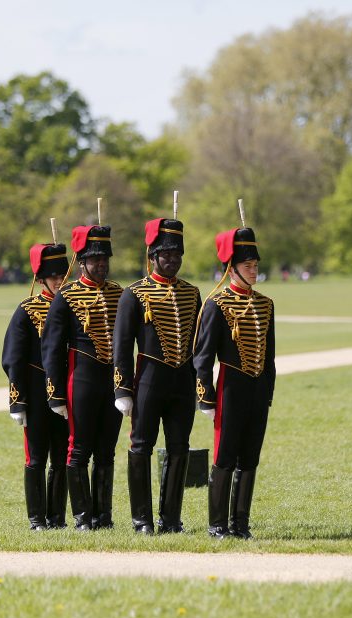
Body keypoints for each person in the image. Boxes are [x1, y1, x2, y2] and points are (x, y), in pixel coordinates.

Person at [113, 218, 201, 534]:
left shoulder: (192, 293)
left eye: (177, 254)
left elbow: (198, 345)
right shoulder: (134, 294)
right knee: (141, 447)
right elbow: (121, 346)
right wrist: (122, 389)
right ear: (153, 257)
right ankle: (141, 520)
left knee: (180, 448)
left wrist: (200, 386)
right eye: (166, 255)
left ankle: (171, 518)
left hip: (182, 381)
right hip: (149, 379)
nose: (172, 260)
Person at [194, 226, 276, 539]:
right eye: (247, 266)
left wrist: (267, 392)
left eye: (256, 266)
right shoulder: (217, 305)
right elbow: (202, 358)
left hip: (257, 390)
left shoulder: (266, 305)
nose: (254, 271)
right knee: (225, 456)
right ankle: (218, 526)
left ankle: (241, 524)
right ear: (232, 269)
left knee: (250, 457)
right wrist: (206, 397)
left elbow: (269, 356)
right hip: (230, 388)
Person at [41, 225, 123, 531]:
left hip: (111, 381)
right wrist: (55, 392)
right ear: (82, 261)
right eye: (94, 259)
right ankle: (82, 517)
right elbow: (51, 347)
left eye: (105, 259)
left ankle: (104, 516)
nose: (101, 264)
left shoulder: (118, 293)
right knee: (78, 449)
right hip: (82, 380)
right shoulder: (67, 295)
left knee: (106, 450)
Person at [1, 242, 69, 530]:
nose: (59, 281)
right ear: (41, 279)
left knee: (63, 456)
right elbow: (13, 359)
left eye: (63, 275)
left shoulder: (73, 305)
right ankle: (36, 518)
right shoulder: (27, 310)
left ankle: (57, 517)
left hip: (67, 391)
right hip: (37, 392)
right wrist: (17, 401)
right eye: (53, 276)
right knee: (37, 457)